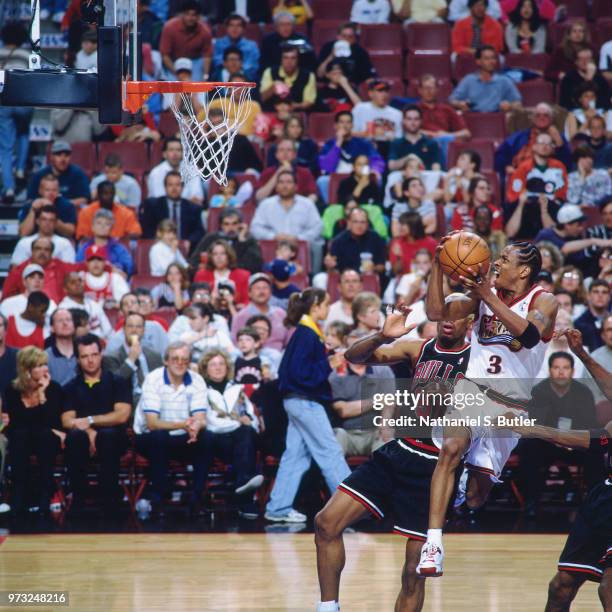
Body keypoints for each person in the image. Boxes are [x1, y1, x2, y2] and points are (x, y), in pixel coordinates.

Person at [316, 307, 472, 612]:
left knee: (413, 573)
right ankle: (328, 607)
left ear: (471, 322)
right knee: (325, 523)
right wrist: (381, 336)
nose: (449, 320)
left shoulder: (478, 358)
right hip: (401, 450)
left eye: (458, 315)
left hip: (435, 466)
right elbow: (354, 356)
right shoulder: (419, 348)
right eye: (444, 314)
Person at [417, 239, 558, 577]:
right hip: (472, 391)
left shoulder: (544, 300)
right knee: (451, 448)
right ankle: (432, 542)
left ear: (523, 270)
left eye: (504, 259)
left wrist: (487, 297)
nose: (496, 263)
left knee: (478, 496)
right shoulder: (482, 293)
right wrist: (438, 264)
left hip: (512, 406)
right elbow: (437, 313)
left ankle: (463, 489)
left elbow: (530, 336)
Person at [498, 332, 612, 611]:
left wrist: (535, 429)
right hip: (603, 499)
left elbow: (594, 440)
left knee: (609, 588)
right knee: (560, 586)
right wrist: (581, 353)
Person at [264, 289, 350, 523]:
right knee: (329, 451)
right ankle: (351, 507)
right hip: (305, 401)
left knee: (296, 455)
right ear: (315, 306)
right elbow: (300, 374)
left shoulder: (305, 332)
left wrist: (326, 359)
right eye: (326, 304)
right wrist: (330, 362)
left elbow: (293, 371)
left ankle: (278, 508)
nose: (328, 308)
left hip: (296, 401)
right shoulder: (307, 334)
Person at [133, 341, 208, 517]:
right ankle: (157, 497)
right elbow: (152, 423)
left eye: (184, 359)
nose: (180, 363)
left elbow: (201, 418)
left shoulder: (197, 380)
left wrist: (196, 425)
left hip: (183, 436)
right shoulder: (153, 379)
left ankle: (197, 497)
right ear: (165, 361)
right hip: (149, 437)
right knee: (160, 436)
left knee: (207, 437)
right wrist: (185, 424)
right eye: (175, 359)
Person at [61, 334, 132, 515]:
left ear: (101, 355)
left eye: (93, 355)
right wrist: (90, 431)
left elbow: (122, 415)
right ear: (78, 359)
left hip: (114, 439)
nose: (90, 360)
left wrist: (91, 421)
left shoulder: (118, 382)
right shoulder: (70, 387)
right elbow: (66, 420)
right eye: (84, 356)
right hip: (82, 439)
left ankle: (109, 498)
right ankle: (79, 497)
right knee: (76, 436)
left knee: (108, 435)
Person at [199, 348, 262, 517]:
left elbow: (252, 418)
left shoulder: (237, 389)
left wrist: (247, 421)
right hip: (214, 440)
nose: (218, 368)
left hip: (241, 439)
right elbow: (211, 422)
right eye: (213, 365)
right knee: (243, 436)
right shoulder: (202, 392)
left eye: (221, 364)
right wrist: (237, 423)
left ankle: (243, 485)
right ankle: (246, 498)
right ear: (206, 369)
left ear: (227, 368)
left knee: (247, 433)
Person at [3, 347, 63, 517]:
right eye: (39, 365)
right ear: (26, 369)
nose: (45, 369)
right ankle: (18, 499)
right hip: (22, 438)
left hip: (45, 439)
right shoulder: (12, 390)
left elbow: (51, 421)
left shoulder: (54, 389)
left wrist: (42, 394)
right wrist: (35, 417)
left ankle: (45, 499)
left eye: (45, 364)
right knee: (20, 436)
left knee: (44, 436)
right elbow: (17, 421)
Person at [251, 170, 324, 273]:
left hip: (300, 246)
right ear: (276, 186)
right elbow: (255, 228)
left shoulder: (307, 204)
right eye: (281, 182)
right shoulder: (266, 204)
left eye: (289, 182)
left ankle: (312, 277)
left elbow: (317, 227)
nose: (285, 186)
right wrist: (273, 236)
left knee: (317, 245)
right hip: (274, 247)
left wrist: (298, 238)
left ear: (295, 186)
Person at [505, 133, 567, 241]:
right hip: (528, 206)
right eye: (541, 143)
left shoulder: (559, 167)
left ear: (552, 148)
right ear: (534, 146)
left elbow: (561, 193)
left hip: (550, 205)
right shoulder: (523, 167)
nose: (545, 146)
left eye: (548, 144)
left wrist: (549, 201)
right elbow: (514, 193)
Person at [318, 111, 385, 203]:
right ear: (335, 126)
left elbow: (377, 161)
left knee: (378, 178)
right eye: (342, 122)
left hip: (359, 176)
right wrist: (338, 143)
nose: (345, 125)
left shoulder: (363, 143)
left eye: (348, 122)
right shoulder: (329, 144)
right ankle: (331, 208)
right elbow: (327, 168)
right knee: (322, 181)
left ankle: (372, 205)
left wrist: (375, 169)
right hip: (336, 176)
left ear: (352, 125)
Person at [0, 22, 33, 204]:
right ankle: (20, 168)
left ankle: (9, 188)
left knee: (5, 149)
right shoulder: (26, 54)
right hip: (23, 101)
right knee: (24, 132)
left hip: (3, 102)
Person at [495, 102, 572, 179]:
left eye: (546, 115)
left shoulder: (559, 137)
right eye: (538, 115)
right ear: (533, 118)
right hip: (520, 176)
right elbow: (500, 154)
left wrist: (559, 143)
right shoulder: (520, 136)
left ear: (551, 119)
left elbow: (568, 165)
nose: (542, 118)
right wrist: (506, 166)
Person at [103, 312, 163, 407]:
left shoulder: (154, 356)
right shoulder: (111, 358)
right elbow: (113, 385)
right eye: (130, 326)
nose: (134, 330)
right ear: (124, 329)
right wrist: (130, 360)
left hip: (155, 403)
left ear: (143, 331)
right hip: (129, 407)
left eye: (138, 327)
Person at [534, 204, 612, 275]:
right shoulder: (546, 235)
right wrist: (593, 241)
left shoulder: (575, 237)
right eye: (578, 225)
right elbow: (565, 248)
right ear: (567, 225)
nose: (581, 228)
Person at [141, 171, 204, 250]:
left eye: (178, 185)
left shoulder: (193, 208)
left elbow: (199, 232)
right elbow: (147, 230)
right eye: (170, 185)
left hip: (185, 249)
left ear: (182, 187)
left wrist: (189, 241)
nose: (174, 188)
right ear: (165, 187)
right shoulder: (153, 206)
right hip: (160, 247)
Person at [450, 45, 522, 113]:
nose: (491, 62)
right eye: (487, 59)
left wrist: (510, 106)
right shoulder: (468, 80)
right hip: (473, 120)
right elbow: (452, 100)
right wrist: (459, 104)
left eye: (493, 58)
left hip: (497, 119)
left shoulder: (504, 81)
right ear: (478, 61)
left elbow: (518, 103)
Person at [189, 209, 262, 274]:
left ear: (240, 225)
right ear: (221, 226)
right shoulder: (211, 238)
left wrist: (242, 241)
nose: (230, 228)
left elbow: (255, 267)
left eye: (234, 223)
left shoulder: (248, 240)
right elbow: (194, 261)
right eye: (226, 224)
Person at [417, 75, 471, 162]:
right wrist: (435, 135)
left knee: (446, 140)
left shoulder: (447, 109)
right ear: (420, 90)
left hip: (445, 142)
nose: (428, 91)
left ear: (437, 90)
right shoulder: (414, 109)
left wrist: (446, 135)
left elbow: (466, 133)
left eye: (431, 88)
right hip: (423, 144)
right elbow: (409, 130)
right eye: (425, 88)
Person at [159, 0, 211, 82]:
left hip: (195, 62)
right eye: (187, 14)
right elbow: (165, 55)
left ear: (198, 17)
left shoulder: (205, 31)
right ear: (181, 15)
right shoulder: (169, 27)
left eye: (193, 15)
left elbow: (207, 56)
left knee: (196, 86)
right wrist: (176, 74)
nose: (190, 18)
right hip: (173, 61)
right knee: (174, 86)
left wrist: (205, 75)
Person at [26, 140, 89, 208]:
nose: (63, 159)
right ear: (51, 157)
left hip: (70, 211)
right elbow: (31, 200)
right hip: (44, 212)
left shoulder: (78, 174)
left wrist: (61, 204)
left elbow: (84, 199)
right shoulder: (39, 176)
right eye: (58, 155)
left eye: (66, 155)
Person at [255, 138, 317, 203]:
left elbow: (313, 195)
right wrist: (278, 173)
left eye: (289, 150)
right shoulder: (267, 172)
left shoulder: (305, 172)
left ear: (294, 155)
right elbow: (259, 197)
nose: (285, 153)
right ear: (276, 155)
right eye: (281, 150)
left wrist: (303, 206)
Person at [75, 209, 134, 277]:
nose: (102, 226)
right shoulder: (84, 248)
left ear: (111, 228)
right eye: (99, 223)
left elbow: (128, 268)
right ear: (92, 227)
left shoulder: (119, 249)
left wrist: (114, 268)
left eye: (107, 224)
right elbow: (77, 267)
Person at [316, 22, 376, 87]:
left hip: (351, 87)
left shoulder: (360, 52)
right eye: (344, 36)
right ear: (338, 36)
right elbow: (319, 74)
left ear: (355, 39)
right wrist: (331, 56)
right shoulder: (328, 47)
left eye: (350, 37)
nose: (346, 39)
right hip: (329, 87)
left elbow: (369, 76)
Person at [76, 181, 142, 241]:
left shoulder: (126, 213)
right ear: (98, 195)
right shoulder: (85, 212)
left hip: (117, 249)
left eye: (111, 193)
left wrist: (117, 242)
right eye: (105, 193)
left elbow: (136, 233)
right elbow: (83, 237)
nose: (109, 196)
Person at [193, 240, 250, 308]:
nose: (219, 257)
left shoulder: (243, 275)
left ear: (229, 255)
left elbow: (248, 300)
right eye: (215, 254)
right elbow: (195, 300)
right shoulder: (201, 275)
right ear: (211, 257)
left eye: (223, 253)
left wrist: (240, 307)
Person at [146, 139, 204, 205]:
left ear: (183, 153)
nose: (175, 154)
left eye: (178, 150)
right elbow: (158, 199)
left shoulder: (191, 170)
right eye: (171, 150)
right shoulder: (155, 173)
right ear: (164, 154)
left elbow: (197, 198)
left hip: (187, 210)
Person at [260, 45, 317, 113]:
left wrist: (294, 106)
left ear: (298, 59)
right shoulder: (270, 72)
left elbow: (309, 102)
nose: (289, 62)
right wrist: (272, 88)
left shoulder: (308, 76)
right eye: (285, 58)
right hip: (273, 114)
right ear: (281, 59)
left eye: (293, 58)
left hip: (296, 115)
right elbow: (262, 98)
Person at [19, 174, 77, 239]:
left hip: (59, 242)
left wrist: (53, 216)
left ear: (58, 191)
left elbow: (70, 232)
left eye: (54, 190)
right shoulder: (30, 205)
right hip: (35, 242)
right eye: (47, 190)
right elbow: (23, 234)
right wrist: (33, 211)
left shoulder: (67, 206)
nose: (51, 193)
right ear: (40, 191)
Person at [58, 271, 113, 339]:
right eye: (73, 282)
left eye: (80, 281)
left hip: (102, 344)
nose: (78, 284)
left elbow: (108, 331)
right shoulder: (63, 309)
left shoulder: (94, 304)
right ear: (65, 289)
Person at [388, 106, 442, 173]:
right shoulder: (396, 143)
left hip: (425, 179)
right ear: (403, 121)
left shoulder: (431, 143)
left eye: (416, 119)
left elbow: (436, 167)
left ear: (421, 121)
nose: (413, 123)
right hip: (402, 180)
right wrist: (408, 158)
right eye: (409, 119)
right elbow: (391, 166)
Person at [559, 47, 611, 112]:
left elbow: (606, 100)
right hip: (575, 112)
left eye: (587, 59)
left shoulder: (599, 78)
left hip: (597, 113)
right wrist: (588, 80)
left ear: (592, 61)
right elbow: (568, 101)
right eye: (581, 59)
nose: (584, 62)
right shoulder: (569, 78)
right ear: (576, 62)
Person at [351, 80, 403, 144]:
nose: (384, 94)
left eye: (386, 91)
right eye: (380, 91)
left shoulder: (397, 114)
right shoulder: (360, 108)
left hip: (388, 149)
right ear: (370, 93)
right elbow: (350, 133)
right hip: (364, 148)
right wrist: (369, 134)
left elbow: (399, 138)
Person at [388, 212, 437, 278]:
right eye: (400, 224)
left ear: (413, 225)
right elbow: (396, 271)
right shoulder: (397, 243)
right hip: (405, 282)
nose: (400, 227)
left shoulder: (431, 243)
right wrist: (398, 257)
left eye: (403, 224)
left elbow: (437, 267)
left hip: (428, 280)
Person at [211, 14, 259, 81]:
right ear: (226, 28)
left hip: (245, 76)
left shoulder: (251, 45)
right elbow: (217, 63)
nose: (235, 29)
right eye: (231, 25)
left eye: (238, 26)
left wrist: (237, 68)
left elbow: (253, 66)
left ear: (243, 29)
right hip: (223, 75)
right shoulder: (219, 44)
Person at [82, 245, 130, 309]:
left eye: (99, 259)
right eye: (92, 259)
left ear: (105, 262)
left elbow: (125, 303)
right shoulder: (80, 278)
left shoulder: (115, 278)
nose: (95, 263)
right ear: (86, 263)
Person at [573, 280, 611, 353]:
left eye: (604, 292)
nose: (600, 295)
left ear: (609, 297)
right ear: (589, 296)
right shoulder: (579, 324)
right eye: (596, 292)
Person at [45, 308, 77, 386]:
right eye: (60, 320)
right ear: (52, 328)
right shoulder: (45, 357)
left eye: (68, 320)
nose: (65, 323)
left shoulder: (84, 352)